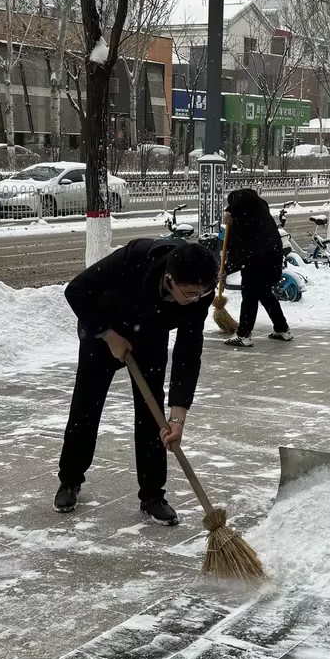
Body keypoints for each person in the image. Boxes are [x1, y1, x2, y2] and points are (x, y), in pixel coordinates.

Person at [55, 237, 219, 525]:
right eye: (191, 293)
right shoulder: (135, 257)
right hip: (103, 330)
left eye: (203, 293)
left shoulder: (200, 292)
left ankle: (153, 495)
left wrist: (178, 417)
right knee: (86, 406)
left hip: (150, 335)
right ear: (169, 279)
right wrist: (109, 335)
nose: (197, 298)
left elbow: (188, 352)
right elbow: (76, 290)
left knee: (151, 414)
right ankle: (70, 480)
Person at [220, 187, 291, 347]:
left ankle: (243, 335)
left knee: (249, 297)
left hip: (255, 264)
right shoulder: (260, 212)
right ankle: (282, 329)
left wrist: (226, 269)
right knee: (265, 294)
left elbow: (239, 249)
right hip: (272, 260)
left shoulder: (242, 220)